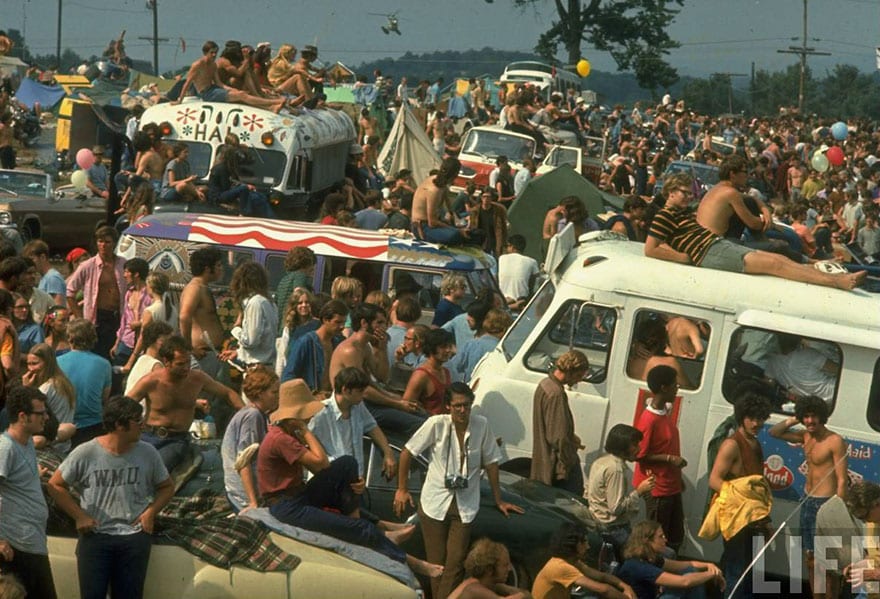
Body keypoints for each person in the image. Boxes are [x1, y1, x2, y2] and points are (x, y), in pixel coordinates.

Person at [256, 379, 442, 576]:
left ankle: (373, 523)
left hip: (297, 494)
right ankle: (412, 561)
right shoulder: (282, 438)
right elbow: (322, 464)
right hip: (286, 505)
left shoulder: (285, 433)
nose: (309, 419)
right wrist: (305, 431)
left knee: (346, 463)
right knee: (358, 528)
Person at [395, 382, 524, 599]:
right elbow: (407, 452)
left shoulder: (481, 425)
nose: (462, 411)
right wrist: (402, 489)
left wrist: (498, 499)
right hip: (435, 502)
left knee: (455, 562)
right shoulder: (436, 424)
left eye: (466, 406)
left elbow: (492, 463)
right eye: (457, 406)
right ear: (448, 406)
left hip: (465, 503)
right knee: (436, 564)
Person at [645, 173, 866, 291]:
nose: (688, 196)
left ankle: (836, 277)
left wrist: (761, 206)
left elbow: (747, 198)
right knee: (775, 265)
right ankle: (838, 282)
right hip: (709, 252)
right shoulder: (664, 215)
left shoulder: (682, 212)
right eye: (683, 193)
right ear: (670, 192)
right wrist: (682, 257)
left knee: (778, 257)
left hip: (716, 245)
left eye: (689, 193)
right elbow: (651, 249)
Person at [48, 396, 174, 599]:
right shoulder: (86, 452)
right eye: (137, 421)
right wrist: (79, 516)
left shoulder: (148, 452)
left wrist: (151, 512)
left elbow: (167, 487)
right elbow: (55, 484)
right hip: (96, 538)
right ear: (119, 425)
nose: (143, 425)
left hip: (134, 538)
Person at [127, 335, 243, 471]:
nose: (186, 368)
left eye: (188, 362)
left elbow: (227, 393)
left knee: (157, 468)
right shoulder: (151, 381)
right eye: (180, 364)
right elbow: (125, 405)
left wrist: (247, 413)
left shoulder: (197, 378)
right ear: (166, 362)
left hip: (177, 439)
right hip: (148, 436)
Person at [768, 395, 847, 591]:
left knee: (828, 563)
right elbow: (774, 432)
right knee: (810, 557)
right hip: (807, 501)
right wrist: (797, 417)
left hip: (825, 504)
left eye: (814, 416)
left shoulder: (834, 440)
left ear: (822, 417)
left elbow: (842, 479)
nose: (810, 421)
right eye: (807, 416)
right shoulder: (805, 436)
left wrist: (837, 510)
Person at [705, 392, 773, 599]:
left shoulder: (755, 443)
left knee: (742, 567)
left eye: (760, 418)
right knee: (737, 569)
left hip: (752, 518)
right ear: (741, 417)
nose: (756, 423)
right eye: (751, 418)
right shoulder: (731, 444)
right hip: (735, 517)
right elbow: (715, 480)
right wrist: (739, 500)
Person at [0, 386, 58, 599]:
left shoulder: (26, 444)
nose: (46, 417)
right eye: (40, 413)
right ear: (23, 416)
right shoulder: (5, 447)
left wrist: (35, 475)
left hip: (33, 543)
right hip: (15, 547)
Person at [632, 365, 687, 553]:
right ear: (664, 388)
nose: (677, 388)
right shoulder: (649, 419)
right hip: (658, 489)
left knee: (675, 535)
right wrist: (670, 459)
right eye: (674, 385)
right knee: (657, 540)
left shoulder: (664, 413)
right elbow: (640, 455)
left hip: (671, 485)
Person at [309, 367, 397, 483]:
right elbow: (308, 444)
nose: (363, 394)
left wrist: (388, 452)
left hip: (355, 479)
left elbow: (372, 426)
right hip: (327, 479)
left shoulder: (358, 407)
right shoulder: (320, 412)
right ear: (346, 390)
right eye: (360, 391)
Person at [587, 424, 655, 558]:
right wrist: (640, 491)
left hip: (598, 522)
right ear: (622, 447)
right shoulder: (615, 469)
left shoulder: (601, 461)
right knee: (650, 556)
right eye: (634, 445)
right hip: (613, 529)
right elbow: (616, 508)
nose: (638, 449)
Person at [530, 349, 590, 495]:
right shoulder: (556, 394)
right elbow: (558, 437)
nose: (579, 380)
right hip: (555, 461)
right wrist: (567, 461)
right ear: (570, 371)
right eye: (578, 375)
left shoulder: (545, 384)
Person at [221, 365, 279, 512]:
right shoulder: (252, 416)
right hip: (242, 493)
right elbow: (244, 460)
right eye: (274, 392)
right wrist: (253, 502)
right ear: (260, 394)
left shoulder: (258, 414)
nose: (278, 396)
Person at [617, 520, 724, 599]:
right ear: (647, 541)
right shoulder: (637, 565)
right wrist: (712, 574)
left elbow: (689, 563)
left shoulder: (651, 558)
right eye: (661, 536)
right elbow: (684, 582)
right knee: (689, 580)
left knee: (690, 570)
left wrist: (709, 565)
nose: (665, 539)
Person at [66, 226, 126, 359]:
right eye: (100, 241)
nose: (103, 245)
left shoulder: (123, 264)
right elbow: (70, 292)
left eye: (107, 242)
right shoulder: (87, 265)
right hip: (97, 318)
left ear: (114, 243)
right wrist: (80, 318)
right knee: (96, 354)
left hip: (119, 317)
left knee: (117, 355)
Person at [177, 40, 286, 112]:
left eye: (215, 52)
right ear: (205, 52)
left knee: (240, 95)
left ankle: (270, 108)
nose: (214, 55)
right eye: (211, 52)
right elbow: (187, 83)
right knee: (241, 96)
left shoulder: (213, 65)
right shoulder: (197, 65)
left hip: (215, 89)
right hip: (207, 94)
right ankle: (275, 102)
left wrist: (232, 90)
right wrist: (179, 100)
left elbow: (219, 83)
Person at [532, 527, 635, 599]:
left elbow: (602, 577)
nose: (588, 547)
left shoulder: (573, 562)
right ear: (573, 544)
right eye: (584, 542)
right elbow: (603, 589)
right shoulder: (560, 567)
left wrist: (626, 587)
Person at [815, 482, 880, 598]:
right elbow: (876, 558)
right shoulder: (873, 522)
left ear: (877, 504)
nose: (864, 521)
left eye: (864, 516)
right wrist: (858, 566)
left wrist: (872, 574)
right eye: (860, 518)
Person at [58, 319, 112, 448]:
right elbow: (104, 398)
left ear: (70, 338)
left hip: (62, 426)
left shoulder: (56, 362)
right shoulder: (104, 364)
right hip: (93, 426)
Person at [22, 343, 77, 453]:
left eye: (35, 363)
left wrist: (26, 390)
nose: (31, 369)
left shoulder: (46, 388)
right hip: (64, 445)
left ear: (47, 363)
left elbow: (28, 415)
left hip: (49, 448)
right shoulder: (63, 382)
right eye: (28, 364)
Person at [282, 299, 347, 391]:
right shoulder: (305, 342)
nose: (342, 327)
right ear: (325, 320)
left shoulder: (338, 343)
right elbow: (288, 376)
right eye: (337, 322)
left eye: (343, 322)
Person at [124, 272, 178, 374]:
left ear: (151, 288)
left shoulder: (150, 310)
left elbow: (143, 337)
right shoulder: (173, 309)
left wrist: (131, 361)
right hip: (168, 354)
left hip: (153, 354)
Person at [227, 261, 278, 367]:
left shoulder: (255, 303)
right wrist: (239, 353)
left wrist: (236, 330)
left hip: (257, 368)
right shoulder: (269, 302)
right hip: (267, 364)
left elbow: (250, 341)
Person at [448, 538, 532, 599]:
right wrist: (521, 595)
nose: (509, 569)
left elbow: (527, 594)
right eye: (505, 565)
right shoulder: (473, 588)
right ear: (489, 570)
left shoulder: (492, 585)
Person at [412, 157, 469, 245]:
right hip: (423, 227)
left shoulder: (440, 183)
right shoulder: (433, 191)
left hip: (434, 222)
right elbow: (432, 222)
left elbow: (447, 201)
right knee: (456, 235)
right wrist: (455, 230)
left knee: (471, 232)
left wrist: (454, 217)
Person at [447, 308, 511, 384]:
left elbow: (454, 367)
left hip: (469, 388)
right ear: (504, 329)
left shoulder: (471, 344)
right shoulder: (503, 350)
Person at [111, 258, 152, 368]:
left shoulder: (150, 295)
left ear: (136, 274)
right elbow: (124, 319)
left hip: (143, 345)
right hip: (126, 342)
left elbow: (155, 317)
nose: (124, 275)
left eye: (127, 272)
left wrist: (139, 323)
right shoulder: (129, 293)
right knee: (116, 374)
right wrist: (116, 343)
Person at [403, 328, 454, 415]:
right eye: (443, 347)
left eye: (449, 346)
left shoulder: (446, 372)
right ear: (431, 348)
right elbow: (407, 404)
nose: (448, 350)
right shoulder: (421, 375)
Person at [123, 320, 173, 397]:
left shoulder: (141, 359)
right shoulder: (156, 366)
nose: (168, 346)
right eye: (164, 341)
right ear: (152, 341)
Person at [274, 247, 316, 332]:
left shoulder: (284, 280)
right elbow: (299, 296)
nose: (313, 267)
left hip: (281, 327)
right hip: (293, 327)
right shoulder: (300, 276)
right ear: (306, 262)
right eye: (312, 263)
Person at [498, 234, 539, 312]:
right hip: (521, 302)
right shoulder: (532, 262)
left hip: (503, 301)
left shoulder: (501, 258)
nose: (506, 249)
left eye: (507, 246)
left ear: (512, 247)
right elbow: (535, 285)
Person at [23, 240, 66, 305]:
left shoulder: (52, 278)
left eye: (32, 259)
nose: (31, 264)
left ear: (42, 257)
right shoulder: (44, 278)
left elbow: (57, 307)